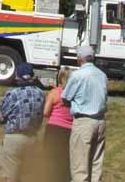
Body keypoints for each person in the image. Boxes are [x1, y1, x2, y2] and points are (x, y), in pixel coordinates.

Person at [62, 46, 108, 182]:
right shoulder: (102, 75)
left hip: (83, 121)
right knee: (96, 165)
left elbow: (65, 98)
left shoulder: (77, 75)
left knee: (80, 166)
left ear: (79, 59)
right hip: (100, 121)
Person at [0, 62, 45, 182]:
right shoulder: (40, 93)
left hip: (14, 139)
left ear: (17, 77)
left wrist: (0, 115)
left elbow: (1, 118)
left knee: (10, 177)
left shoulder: (12, 94)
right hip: (33, 139)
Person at [43, 67, 73, 182]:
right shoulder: (73, 94)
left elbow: (46, 112)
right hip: (69, 130)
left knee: (51, 158)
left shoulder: (54, 92)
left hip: (54, 129)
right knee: (66, 160)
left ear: (59, 77)